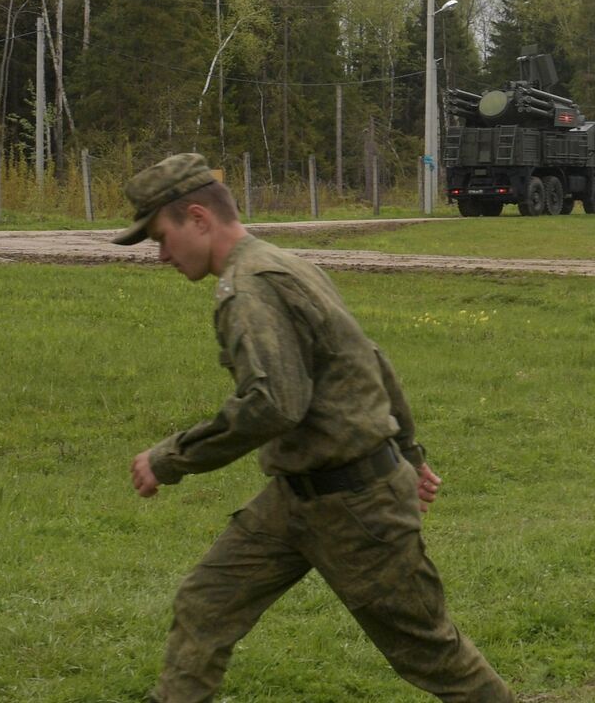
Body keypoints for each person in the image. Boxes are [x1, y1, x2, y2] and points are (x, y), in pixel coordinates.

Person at [117, 153, 512, 702]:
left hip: (356, 507)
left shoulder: (249, 288)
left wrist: (169, 457)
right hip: (296, 498)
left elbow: (274, 405)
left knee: (432, 653)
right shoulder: (282, 263)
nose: (160, 255)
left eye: (161, 236)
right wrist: (410, 455)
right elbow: (371, 359)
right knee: (206, 602)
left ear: (199, 219)